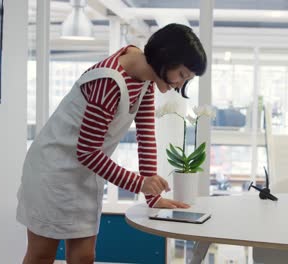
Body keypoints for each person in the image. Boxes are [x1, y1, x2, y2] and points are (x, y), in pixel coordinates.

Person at [16, 23, 207, 264]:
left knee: (84, 256)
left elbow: (146, 136)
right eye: (181, 75)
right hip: (52, 172)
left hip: (81, 175)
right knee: (42, 256)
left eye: (186, 79)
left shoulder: (145, 77)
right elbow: (87, 151)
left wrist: (152, 195)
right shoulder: (109, 81)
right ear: (165, 57)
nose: (180, 85)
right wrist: (140, 184)